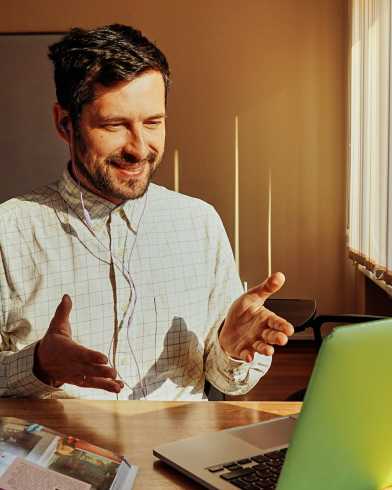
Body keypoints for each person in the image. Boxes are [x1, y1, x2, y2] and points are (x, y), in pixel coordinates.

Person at [0, 24, 294, 400]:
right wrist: (38, 365)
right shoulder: (9, 232)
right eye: (114, 125)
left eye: (153, 122)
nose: (139, 148)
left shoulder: (199, 224)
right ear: (64, 123)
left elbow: (224, 381)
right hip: (56, 454)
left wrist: (231, 349)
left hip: (180, 452)